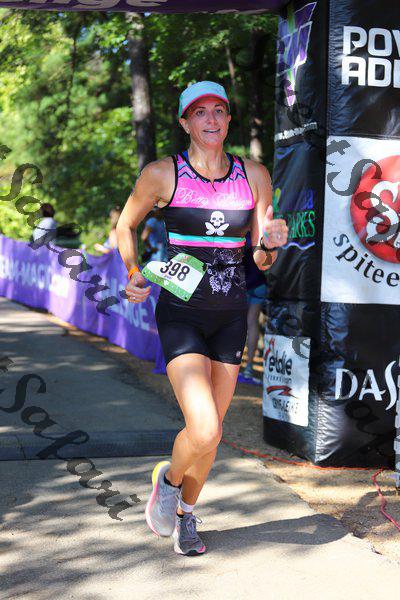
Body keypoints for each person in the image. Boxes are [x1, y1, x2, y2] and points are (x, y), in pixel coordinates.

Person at [116, 81, 288, 556]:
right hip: (181, 314)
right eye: (199, 112)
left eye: (218, 111)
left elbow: (261, 259)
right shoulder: (162, 173)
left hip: (230, 316)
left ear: (228, 119)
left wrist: (270, 244)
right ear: (185, 122)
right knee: (206, 427)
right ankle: (170, 480)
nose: (211, 120)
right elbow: (125, 224)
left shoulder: (254, 175)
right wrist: (133, 271)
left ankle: (185, 513)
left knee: (210, 436)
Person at [242, 230, 268, 381]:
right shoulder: (261, 234)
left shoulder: (241, 234)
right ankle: (249, 367)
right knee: (252, 322)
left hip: (244, 284)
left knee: (238, 323)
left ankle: (234, 364)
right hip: (260, 284)